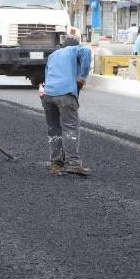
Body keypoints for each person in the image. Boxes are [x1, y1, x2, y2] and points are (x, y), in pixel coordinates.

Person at [41, 37, 92, 176]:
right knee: (70, 128)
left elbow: (46, 76)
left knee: (54, 129)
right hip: (65, 94)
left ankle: (56, 163)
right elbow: (87, 51)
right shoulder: (74, 49)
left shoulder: (53, 55)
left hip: (48, 95)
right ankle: (73, 163)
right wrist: (82, 77)